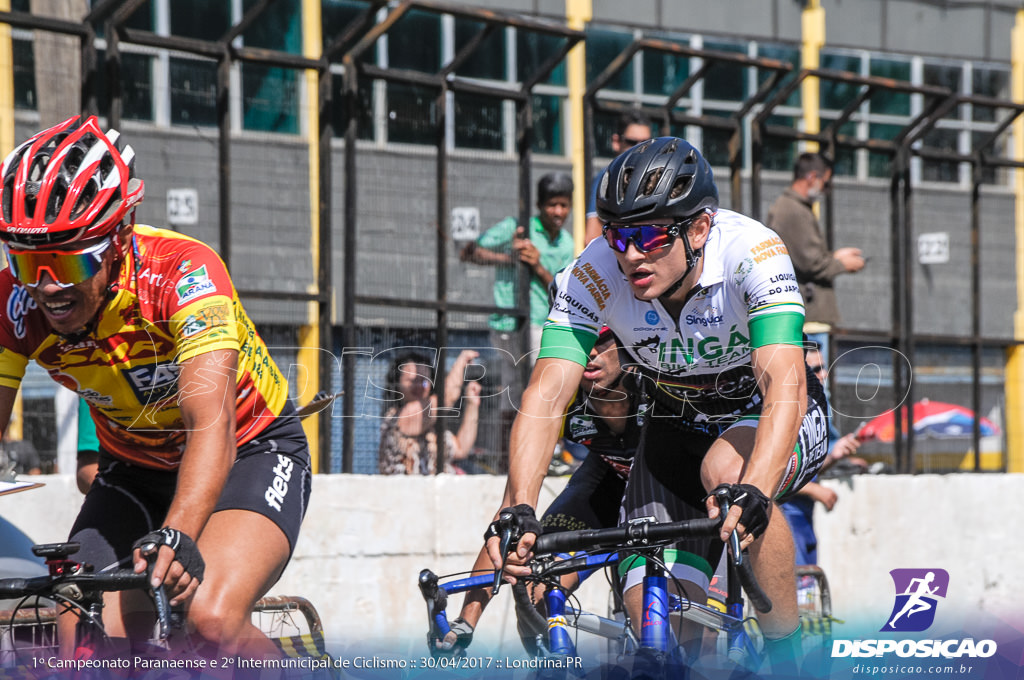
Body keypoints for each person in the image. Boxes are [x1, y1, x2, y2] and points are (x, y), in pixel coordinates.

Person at [483, 137, 830, 671]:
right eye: (618, 234)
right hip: (674, 425)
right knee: (660, 631)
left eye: (648, 235)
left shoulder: (752, 253)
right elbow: (547, 392)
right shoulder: (594, 271)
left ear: (698, 228)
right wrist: (519, 506)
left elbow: (784, 385)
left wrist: (756, 491)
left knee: (726, 468)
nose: (630, 254)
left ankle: (792, 655)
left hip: (768, 413)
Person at [0, 115, 311, 659]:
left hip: (249, 450)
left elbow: (209, 429)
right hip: (134, 468)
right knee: (81, 629)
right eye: (27, 261)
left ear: (119, 236)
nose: (47, 286)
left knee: (208, 617)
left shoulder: (184, 274)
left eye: (67, 258)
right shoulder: (14, 303)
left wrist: (179, 535)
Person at [435, 327, 641, 652]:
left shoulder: (654, 386)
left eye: (602, 341)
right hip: (606, 480)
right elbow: (510, 513)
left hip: (664, 485)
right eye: (583, 341)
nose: (590, 351)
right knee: (536, 589)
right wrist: (466, 622)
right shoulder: (564, 394)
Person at [460, 172, 575, 406]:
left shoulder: (566, 243)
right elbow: (469, 253)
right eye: (552, 205)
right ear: (539, 205)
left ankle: (515, 439)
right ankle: (535, 440)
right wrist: (510, 257)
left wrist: (536, 264)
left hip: (543, 322)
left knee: (515, 393)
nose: (558, 212)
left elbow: (561, 290)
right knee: (538, 389)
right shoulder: (517, 227)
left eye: (564, 205)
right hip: (512, 322)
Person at [766, 152, 865, 369]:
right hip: (808, 318)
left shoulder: (793, 208)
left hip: (807, 316)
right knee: (815, 388)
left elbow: (804, 256)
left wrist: (835, 257)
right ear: (812, 177)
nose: (825, 189)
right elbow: (811, 264)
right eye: (825, 182)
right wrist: (842, 265)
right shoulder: (792, 210)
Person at [781, 345, 865, 566]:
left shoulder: (812, 407)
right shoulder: (783, 409)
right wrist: (812, 489)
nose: (824, 374)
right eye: (816, 368)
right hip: (784, 515)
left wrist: (834, 456)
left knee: (809, 590)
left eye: (824, 367)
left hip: (804, 515)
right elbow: (770, 472)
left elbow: (803, 467)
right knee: (796, 589)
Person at [377, 349, 482, 475]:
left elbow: (461, 449)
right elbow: (446, 398)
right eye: (412, 381)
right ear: (397, 384)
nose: (419, 386)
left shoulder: (431, 426)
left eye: (424, 381)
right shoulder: (400, 418)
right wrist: (461, 362)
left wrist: (472, 404)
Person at [583, 110, 655, 244]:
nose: (640, 148)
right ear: (616, 142)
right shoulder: (608, 177)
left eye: (646, 143)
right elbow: (591, 239)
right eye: (631, 142)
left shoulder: (658, 176)